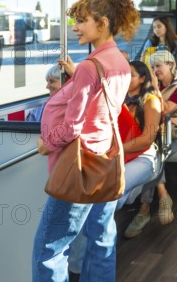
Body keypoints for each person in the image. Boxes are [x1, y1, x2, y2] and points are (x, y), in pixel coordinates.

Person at [32, 0, 140, 282]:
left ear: (102, 24)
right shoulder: (118, 61)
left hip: (78, 168)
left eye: (82, 21)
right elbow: (101, 104)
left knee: (49, 252)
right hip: (103, 163)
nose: (75, 27)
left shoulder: (90, 68)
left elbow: (72, 126)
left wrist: (46, 144)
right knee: (101, 240)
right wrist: (78, 71)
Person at [67, 60, 164, 274]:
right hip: (119, 155)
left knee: (105, 197)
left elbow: (147, 139)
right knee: (100, 200)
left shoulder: (151, 101)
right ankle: (81, 266)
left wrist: (115, 149)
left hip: (145, 157)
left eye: (130, 75)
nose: (125, 78)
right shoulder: (116, 98)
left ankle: (79, 267)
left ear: (142, 79)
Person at [123, 50, 177, 237]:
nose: (155, 71)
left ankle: (144, 210)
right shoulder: (157, 87)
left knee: (155, 153)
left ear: (170, 65)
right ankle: (162, 193)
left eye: (158, 66)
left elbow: (165, 109)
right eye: (152, 67)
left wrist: (154, 88)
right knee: (155, 151)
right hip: (163, 134)